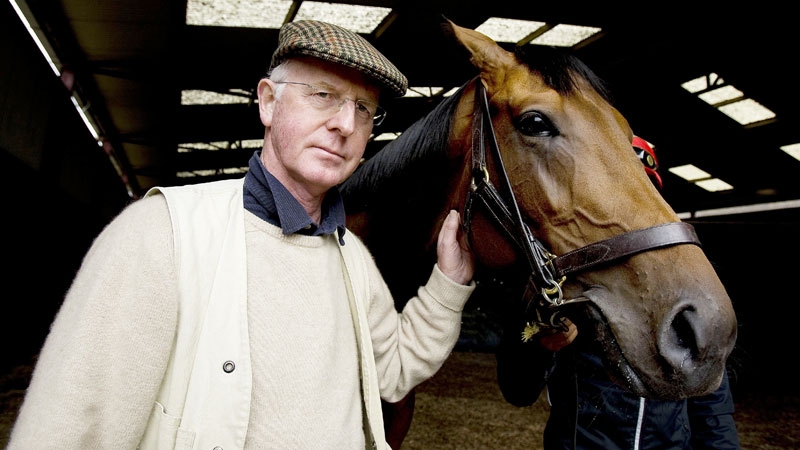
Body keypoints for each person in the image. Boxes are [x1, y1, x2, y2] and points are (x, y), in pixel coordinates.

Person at [7, 20, 476, 450]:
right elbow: (73, 428)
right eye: (323, 95)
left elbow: (392, 373)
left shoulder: (351, 259)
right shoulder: (161, 234)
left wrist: (448, 284)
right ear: (268, 101)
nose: (346, 124)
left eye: (364, 108)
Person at [496, 318, 741, 450]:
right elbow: (517, 389)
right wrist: (542, 345)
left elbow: (712, 404)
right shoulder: (566, 279)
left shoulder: (683, 285)